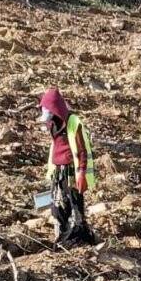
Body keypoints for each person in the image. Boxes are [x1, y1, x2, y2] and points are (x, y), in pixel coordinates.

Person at [38, 88, 96, 248]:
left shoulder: (73, 123)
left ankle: (76, 239)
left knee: (74, 206)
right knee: (58, 207)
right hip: (59, 171)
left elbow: (82, 149)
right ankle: (62, 238)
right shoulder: (52, 123)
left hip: (71, 171)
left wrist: (82, 173)